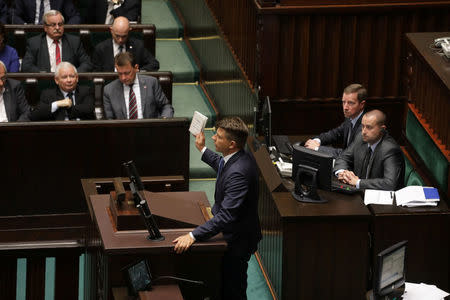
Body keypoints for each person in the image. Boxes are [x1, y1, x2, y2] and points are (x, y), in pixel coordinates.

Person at [173, 117, 262, 300]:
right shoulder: (236, 157)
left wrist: (192, 235)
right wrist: (202, 149)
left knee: (233, 288)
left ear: (231, 144)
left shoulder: (239, 172)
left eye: (218, 137)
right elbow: (222, 165)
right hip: (234, 232)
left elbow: (226, 216)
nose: (213, 138)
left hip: (237, 240)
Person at [333, 109, 405, 191]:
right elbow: (343, 157)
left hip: (382, 199)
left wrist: (358, 182)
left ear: (382, 129)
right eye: (363, 126)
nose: (363, 131)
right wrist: (343, 173)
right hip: (359, 193)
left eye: (369, 127)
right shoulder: (360, 138)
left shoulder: (390, 150)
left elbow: (389, 183)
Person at [103, 52, 172, 119]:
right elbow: (109, 119)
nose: (123, 78)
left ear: (136, 68)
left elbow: (165, 106)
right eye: (120, 74)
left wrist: (164, 120)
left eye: (127, 73)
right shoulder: (109, 90)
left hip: (149, 128)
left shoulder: (151, 83)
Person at [305, 83, 367, 158]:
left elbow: (349, 154)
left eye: (350, 103)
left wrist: (316, 148)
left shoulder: (365, 127)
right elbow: (334, 134)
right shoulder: (349, 118)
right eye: (344, 102)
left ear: (362, 105)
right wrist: (316, 141)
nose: (345, 107)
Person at [21, 10, 92, 73]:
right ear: (45, 28)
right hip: (44, 83)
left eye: (60, 24)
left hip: (68, 82)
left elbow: (87, 63)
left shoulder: (74, 41)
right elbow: (27, 66)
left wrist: (72, 74)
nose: (57, 28)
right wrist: (42, 74)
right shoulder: (34, 42)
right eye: (53, 25)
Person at [30, 61, 95, 121]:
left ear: (77, 78)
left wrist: (68, 107)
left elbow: (88, 110)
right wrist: (57, 104)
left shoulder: (86, 90)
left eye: (72, 76)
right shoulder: (48, 94)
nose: (69, 80)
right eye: (64, 77)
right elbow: (35, 115)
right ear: (56, 80)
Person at [92, 16, 159, 72]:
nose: (120, 40)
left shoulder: (138, 46)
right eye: (117, 36)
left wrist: (138, 72)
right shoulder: (101, 48)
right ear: (111, 31)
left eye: (124, 36)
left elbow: (154, 64)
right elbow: (95, 72)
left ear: (129, 31)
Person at [12, 0, 81, 24]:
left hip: (56, 35)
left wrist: (62, 29)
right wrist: (26, 27)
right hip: (30, 35)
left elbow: (75, 17)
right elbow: (14, 16)